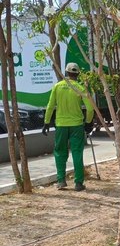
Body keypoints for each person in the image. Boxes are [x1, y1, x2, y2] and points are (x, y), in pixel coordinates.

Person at [42, 62, 94, 191]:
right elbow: (90, 109)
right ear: (78, 74)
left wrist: (46, 122)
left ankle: (61, 181)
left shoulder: (57, 87)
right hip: (77, 126)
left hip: (61, 125)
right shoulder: (80, 88)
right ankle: (78, 183)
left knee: (60, 152)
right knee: (77, 153)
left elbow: (50, 106)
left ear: (66, 73)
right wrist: (88, 123)